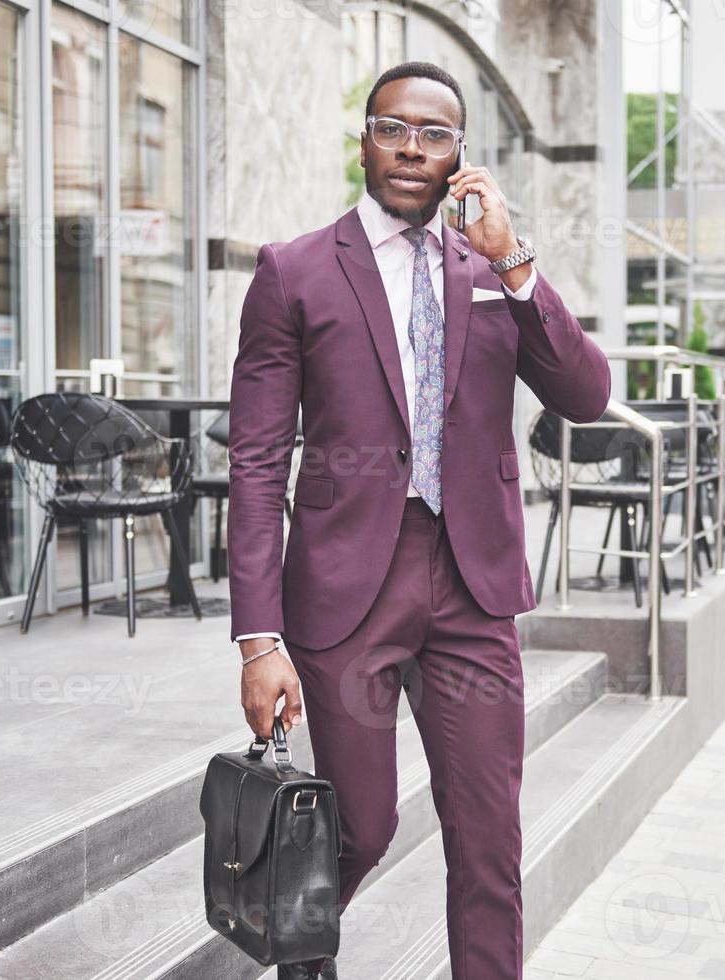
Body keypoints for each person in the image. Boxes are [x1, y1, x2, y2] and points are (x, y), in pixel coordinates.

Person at [227, 62, 611, 980]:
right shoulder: (294, 272)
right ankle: (300, 956)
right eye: (393, 128)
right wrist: (256, 638)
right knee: (358, 826)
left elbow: (586, 395)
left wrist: (516, 261)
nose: (411, 148)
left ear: (459, 156)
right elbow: (254, 458)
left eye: (434, 134)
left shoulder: (489, 269)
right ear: (363, 139)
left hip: (472, 589)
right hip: (347, 588)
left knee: (489, 842)